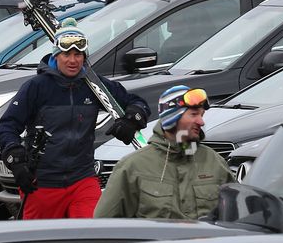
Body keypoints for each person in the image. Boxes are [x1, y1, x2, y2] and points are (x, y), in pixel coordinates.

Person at [0, 28, 149, 219]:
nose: (73, 60)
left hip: (82, 179)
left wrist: (131, 120)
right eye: (67, 54)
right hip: (43, 182)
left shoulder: (93, 85)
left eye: (78, 55)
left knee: (90, 236)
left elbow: (138, 104)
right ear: (56, 56)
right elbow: (7, 126)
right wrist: (15, 159)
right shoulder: (36, 87)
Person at [96, 85, 233, 220]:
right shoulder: (132, 166)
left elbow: (237, 215)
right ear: (172, 118)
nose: (201, 122)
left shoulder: (215, 162)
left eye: (202, 115)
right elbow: (103, 226)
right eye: (193, 114)